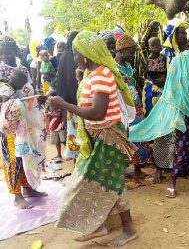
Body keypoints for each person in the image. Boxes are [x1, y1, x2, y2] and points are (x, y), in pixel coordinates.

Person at [49, 31, 138, 247]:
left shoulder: (101, 75)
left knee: (107, 183)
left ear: (86, 54)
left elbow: (97, 113)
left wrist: (63, 105)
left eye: (75, 53)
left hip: (108, 136)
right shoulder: (91, 74)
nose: (74, 58)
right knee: (102, 182)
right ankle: (101, 225)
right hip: (98, 136)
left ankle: (128, 229)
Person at [130, 26, 189, 199]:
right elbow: (171, 87)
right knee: (182, 148)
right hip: (185, 111)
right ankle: (172, 181)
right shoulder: (179, 60)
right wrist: (176, 110)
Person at [0, 36, 47, 209]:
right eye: (1, 54)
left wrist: (38, 98)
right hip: (11, 122)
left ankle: (28, 188)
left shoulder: (22, 66)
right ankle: (16, 195)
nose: (4, 56)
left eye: (7, 53)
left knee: (28, 154)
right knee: (13, 157)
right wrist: (11, 87)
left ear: (15, 51)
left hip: (27, 118)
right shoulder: (0, 70)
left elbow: (30, 86)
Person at [115, 34, 153, 185]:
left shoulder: (128, 66)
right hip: (124, 107)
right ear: (121, 50)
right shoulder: (114, 68)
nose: (133, 55)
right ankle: (131, 171)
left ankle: (138, 170)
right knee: (129, 137)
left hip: (135, 105)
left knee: (140, 136)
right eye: (131, 52)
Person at [56, 32, 80, 160]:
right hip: (74, 95)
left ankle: (73, 151)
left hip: (67, 95)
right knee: (75, 125)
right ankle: (75, 152)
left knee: (71, 124)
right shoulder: (73, 54)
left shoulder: (64, 55)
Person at [134, 19, 162, 95]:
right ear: (145, 30)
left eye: (157, 30)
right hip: (143, 89)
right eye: (153, 30)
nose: (156, 32)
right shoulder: (137, 50)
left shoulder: (160, 49)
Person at [142, 37, 167, 116]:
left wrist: (163, 77)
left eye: (157, 45)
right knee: (150, 99)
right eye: (152, 45)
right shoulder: (148, 59)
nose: (155, 47)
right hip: (152, 81)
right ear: (149, 48)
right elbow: (149, 72)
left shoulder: (163, 57)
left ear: (161, 46)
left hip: (162, 81)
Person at [46, 91, 66, 163]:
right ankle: (59, 155)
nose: (48, 99)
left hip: (60, 127)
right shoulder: (48, 107)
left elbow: (58, 115)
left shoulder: (57, 106)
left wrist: (48, 115)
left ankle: (70, 153)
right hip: (53, 127)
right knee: (56, 142)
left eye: (49, 97)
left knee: (64, 141)